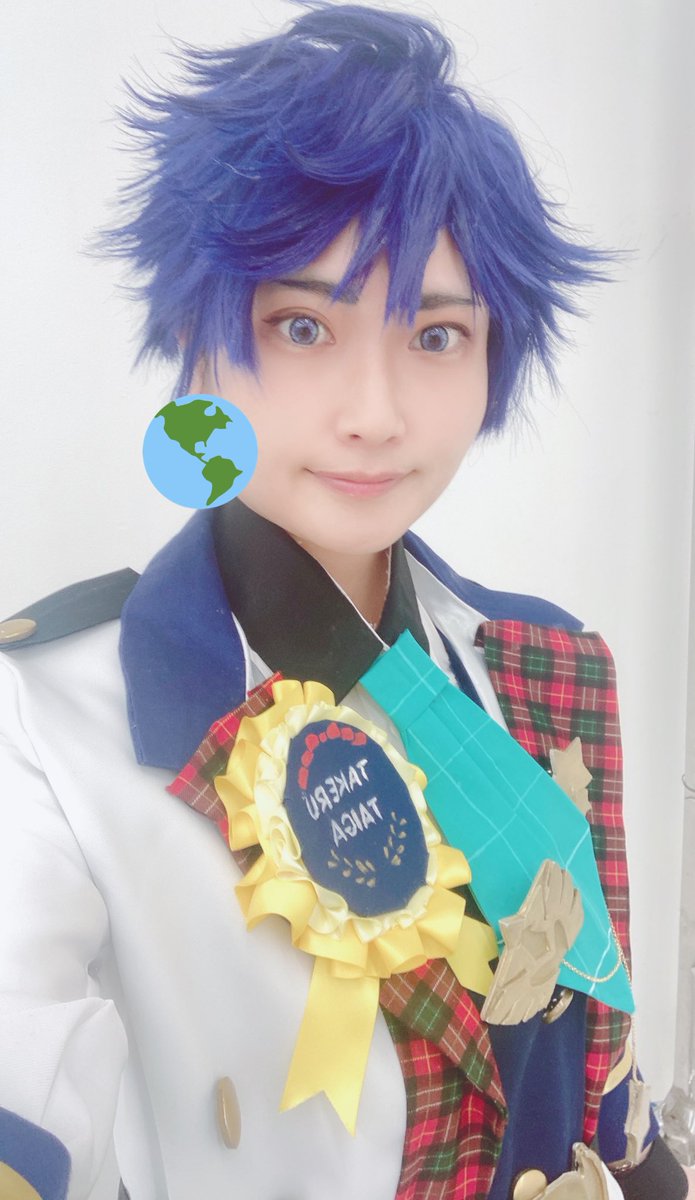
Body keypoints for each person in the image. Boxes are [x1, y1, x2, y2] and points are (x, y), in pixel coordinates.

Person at [0, 5, 691, 1199]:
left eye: (435, 335)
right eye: (303, 325)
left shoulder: (542, 659)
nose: (375, 412)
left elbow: (601, 1092)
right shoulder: (51, 715)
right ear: (197, 342)